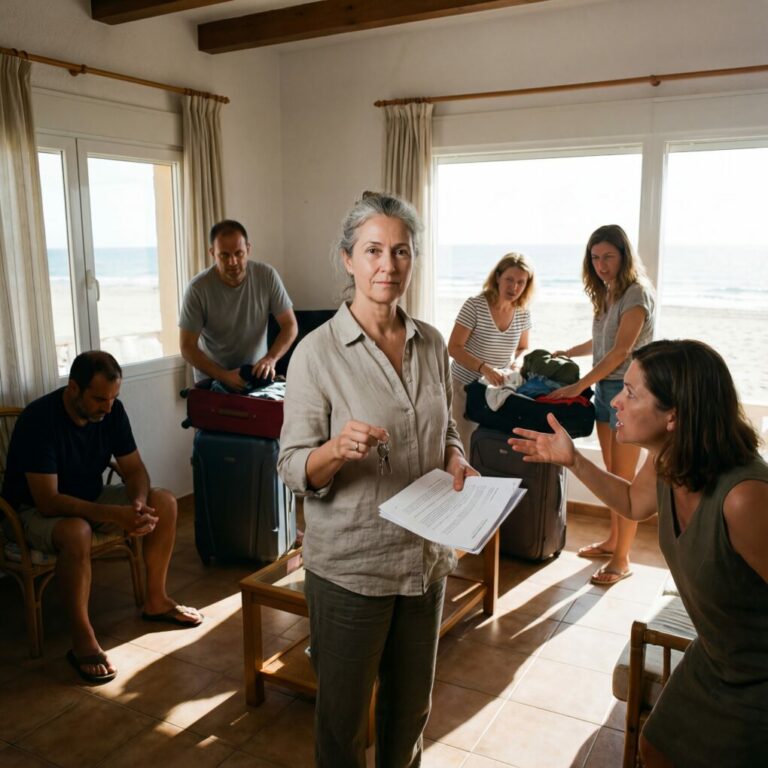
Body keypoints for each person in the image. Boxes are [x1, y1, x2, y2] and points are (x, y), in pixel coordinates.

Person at [277, 192, 476, 768]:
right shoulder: (315, 355)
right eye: (372, 251)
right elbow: (292, 465)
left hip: (424, 562)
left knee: (410, 712)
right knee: (341, 724)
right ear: (348, 259)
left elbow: (449, 431)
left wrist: (457, 457)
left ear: (413, 259)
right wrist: (335, 451)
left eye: (400, 251)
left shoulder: (433, 343)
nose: (387, 265)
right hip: (351, 567)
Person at [508, 339, 768, 767]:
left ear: (674, 416)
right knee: (656, 746)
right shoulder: (669, 461)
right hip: (714, 653)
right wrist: (572, 461)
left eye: (631, 394)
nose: (616, 403)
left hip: (760, 677)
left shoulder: (744, 497)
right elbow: (632, 504)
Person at [1, 351, 202, 684]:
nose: (107, 407)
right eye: (98, 399)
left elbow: (135, 469)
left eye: (113, 398)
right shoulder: (40, 420)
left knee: (163, 502)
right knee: (77, 531)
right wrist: (114, 514)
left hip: (89, 499)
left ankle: (156, 600)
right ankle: (82, 638)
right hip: (29, 514)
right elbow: (48, 501)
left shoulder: (112, 412)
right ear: (73, 389)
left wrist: (137, 503)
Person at [547, 224, 655, 585]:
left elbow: (623, 350)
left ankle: (622, 560)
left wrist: (579, 384)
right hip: (607, 388)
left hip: (628, 392)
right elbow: (603, 342)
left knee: (624, 480)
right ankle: (612, 541)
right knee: (611, 472)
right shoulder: (608, 293)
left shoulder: (636, 294)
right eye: (595, 258)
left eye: (608, 256)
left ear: (624, 256)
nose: (601, 265)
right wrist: (569, 351)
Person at [179, 219, 298, 390]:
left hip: (255, 376)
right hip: (212, 379)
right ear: (213, 253)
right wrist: (223, 376)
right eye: (224, 255)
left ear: (248, 249)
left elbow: (290, 325)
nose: (232, 262)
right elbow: (187, 347)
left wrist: (271, 359)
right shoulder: (197, 288)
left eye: (238, 253)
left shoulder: (267, 276)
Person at [447, 252, 534, 452]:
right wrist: (484, 368)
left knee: (488, 447)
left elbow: (523, 347)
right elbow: (453, 347)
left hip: (494, 390)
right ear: (497, 278)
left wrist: (517, 363)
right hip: (463, 388)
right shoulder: (475, 305)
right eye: (509, 280)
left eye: (521, 282)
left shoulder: (522, 312)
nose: (514, 287)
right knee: (462, 448)